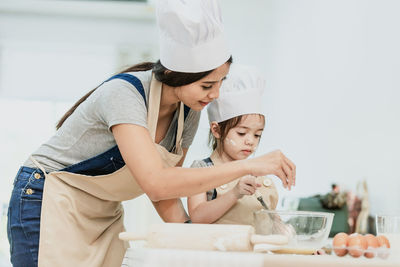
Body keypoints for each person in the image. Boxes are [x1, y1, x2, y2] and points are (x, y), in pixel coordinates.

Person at [7, 1, 296, 266]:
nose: (215, 94)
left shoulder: (188, 112)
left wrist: (192, 239)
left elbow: (166, 195)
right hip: (47, 200)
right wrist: (249, 165)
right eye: (207, 86)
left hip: (102, 214)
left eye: (221, 82)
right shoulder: (124, 94)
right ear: (175, 75)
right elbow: (156, 182)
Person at [188, 64, 281, 226]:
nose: (250, 141)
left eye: (257, 134)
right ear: (216, 130)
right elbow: (197, 217)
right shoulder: (201, 168)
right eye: (241, 133)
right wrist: (235, 193)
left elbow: (275, 224)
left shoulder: (261, 178)